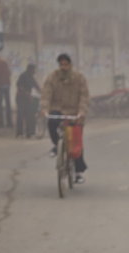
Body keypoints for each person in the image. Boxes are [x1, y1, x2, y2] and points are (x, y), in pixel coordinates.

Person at [41, 53, 90, 182]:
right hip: (57, 109)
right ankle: (57, 146)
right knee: (52, 122)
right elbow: (46, 94)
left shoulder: (79, 78)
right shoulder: (53, 77)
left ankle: (78, 172)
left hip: (75, 112)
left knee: (75, 142)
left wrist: (82, 111)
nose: (63, 67)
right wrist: (45, 109)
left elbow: (84, 96)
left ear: (70, 65)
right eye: (61, 64)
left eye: (66, 64)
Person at [15, 62, 40, 138]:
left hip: (28, 99)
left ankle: (29, 132)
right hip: (21, 98)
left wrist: (43, 93)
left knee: (29, 115)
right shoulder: (23, 76)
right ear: (30, 69)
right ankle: (19, 133)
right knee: (20, 115)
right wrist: (27, 94)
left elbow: (36, 86)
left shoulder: (31, 77)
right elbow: (20, 87)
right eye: (33, 70)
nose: (34, 71)